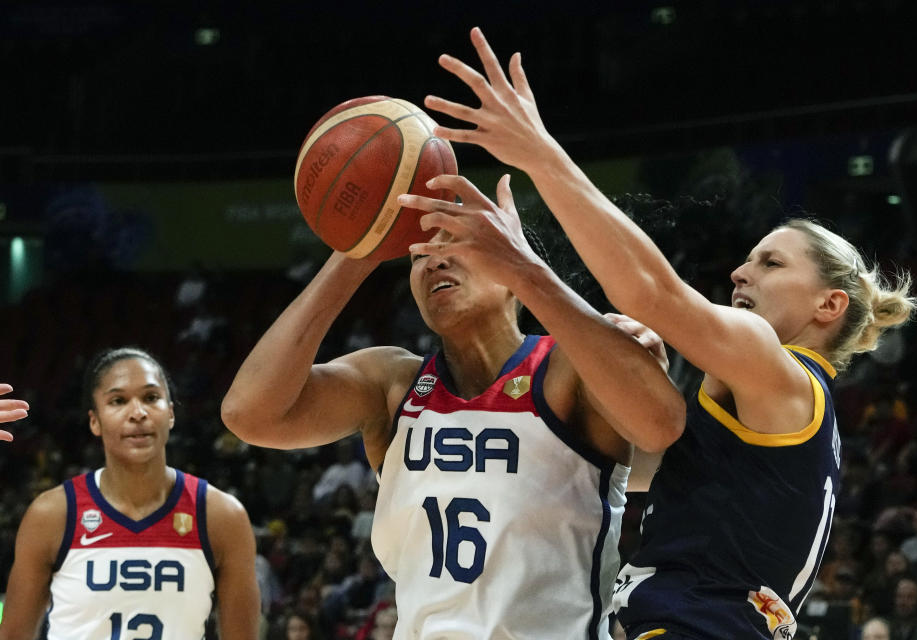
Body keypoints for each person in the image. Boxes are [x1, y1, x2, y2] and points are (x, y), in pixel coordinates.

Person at [420, 27, 916, 639]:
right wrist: (627, 373)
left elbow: (648, 292)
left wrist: (539, 157)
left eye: (771, 262)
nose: (740, 270)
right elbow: (640, 468)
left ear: (828, 304)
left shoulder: (778, 370)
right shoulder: (770, 411)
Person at [221, 178, 685, 637]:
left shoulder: (570, 368)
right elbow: (250, 414)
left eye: (457, 244)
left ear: (510, 268)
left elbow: (660, 427)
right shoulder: (392, 382)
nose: (433, 259)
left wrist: (528, 271)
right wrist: (356, 251)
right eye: (418, 254)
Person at [0, 348, 260, 640]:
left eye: (151, 398)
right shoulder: (52, 515)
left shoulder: (222, 517)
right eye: (118, 401)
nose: (138, 413)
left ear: (171, 413)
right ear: (94, 421)